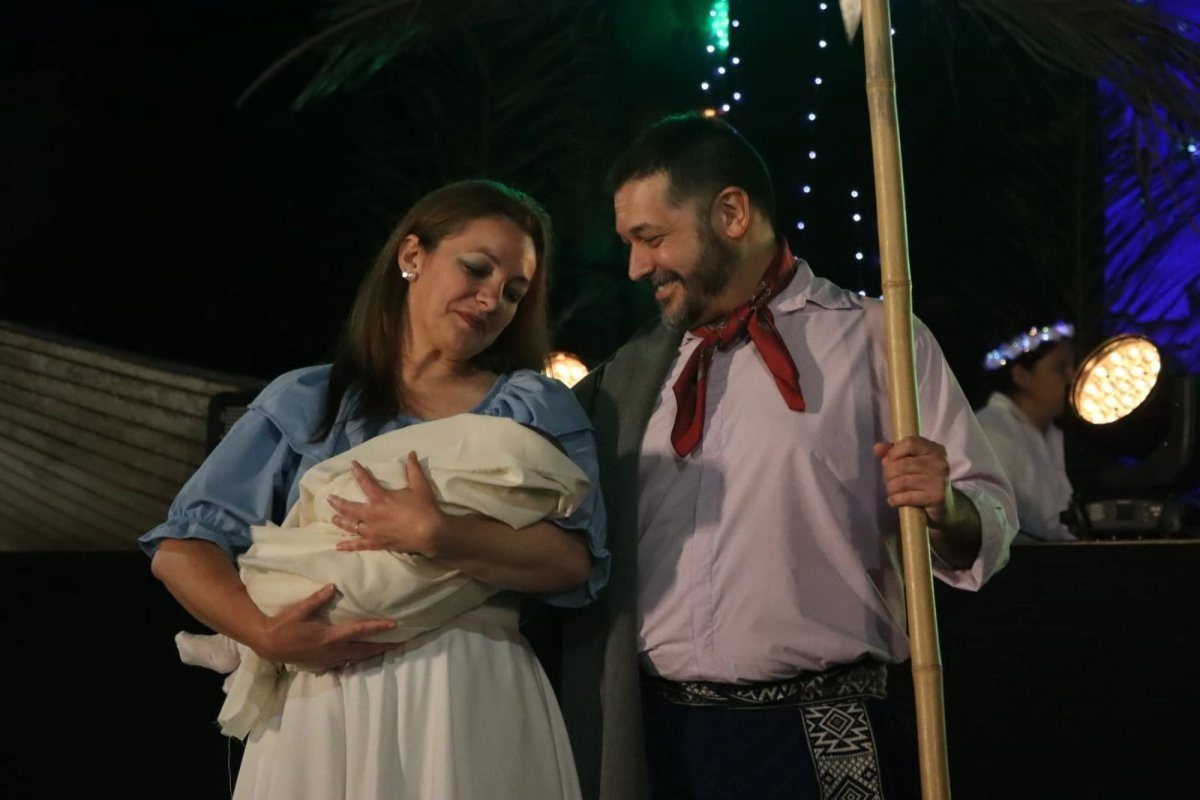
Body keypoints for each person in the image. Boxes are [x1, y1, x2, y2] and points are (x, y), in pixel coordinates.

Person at [554, 112, 1018, 800]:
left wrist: (949, 508)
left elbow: (992, 520)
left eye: (651, 238)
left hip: (820, 728)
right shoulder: (635, 373)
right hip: (659, 738)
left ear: (732, 214)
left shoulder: (877, 339)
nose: (636, 267)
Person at [139, 178, 609, 800]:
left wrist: (439, 534)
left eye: (514, 292)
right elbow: (182, 548)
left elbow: (576, 561)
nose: (491, 298)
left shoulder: (533, 408)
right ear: (412, 256)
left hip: (468, 689)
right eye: (477, 268)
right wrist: (262, 632)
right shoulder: (310, 400)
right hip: (323, 700)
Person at [974, 321, 1078, 542]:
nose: (1073, 377)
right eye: (1060, 368)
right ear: (1021, 376)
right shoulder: (991, 431)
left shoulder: (1053, 433)